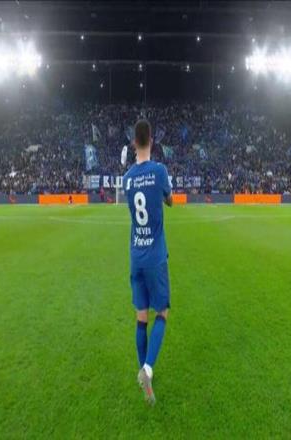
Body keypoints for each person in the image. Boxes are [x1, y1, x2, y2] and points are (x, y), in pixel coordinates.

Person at [122, 119, 173, 405]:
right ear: (152, 141)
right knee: (162, 312)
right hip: (155, 256)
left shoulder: (127, 178)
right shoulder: (159, 171)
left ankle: (143, 371)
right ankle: (148, 370)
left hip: (136, 256)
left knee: (141, 317)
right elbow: (170, 200)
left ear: (134, 143)